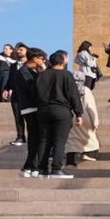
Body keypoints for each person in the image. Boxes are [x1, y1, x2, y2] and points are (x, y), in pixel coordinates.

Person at [33, 50, 83, 179]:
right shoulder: (66, 75)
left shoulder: (42, 75)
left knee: (44, 140)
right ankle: (56, 169)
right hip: (61, 111)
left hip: (43, 110)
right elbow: (73, 95)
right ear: (62, 61)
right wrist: (79, 113)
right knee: (59, 141)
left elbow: (36, 93)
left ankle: (42, 169)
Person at [6, 48, 47, 178]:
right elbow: (34, 89)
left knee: (36, 138)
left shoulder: (30, 71)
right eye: (42, 59)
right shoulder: (23, 72)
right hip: (31, 108)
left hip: (33, 108)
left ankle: (28, 167)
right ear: (35, 58)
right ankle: (33, 166)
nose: (44, 61)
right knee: (36, 138)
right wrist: (43, 73)